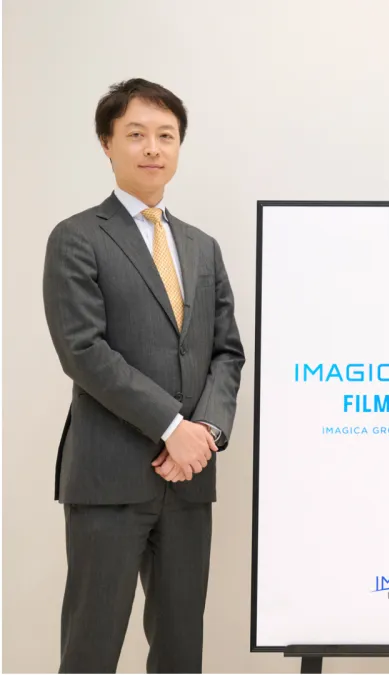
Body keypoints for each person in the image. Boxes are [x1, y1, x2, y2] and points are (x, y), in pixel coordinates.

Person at [42, 78, 244, 673]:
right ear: (107, 143)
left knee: (181, 652)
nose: (153, 148)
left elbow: (227, 352)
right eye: (136, 134)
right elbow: (84, 351)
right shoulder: (77, 237)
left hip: (189, 481)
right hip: (108, 478)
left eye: (166, 135)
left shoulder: (202, 248)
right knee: (91, 649)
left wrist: (203, 433)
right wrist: (172, 427)